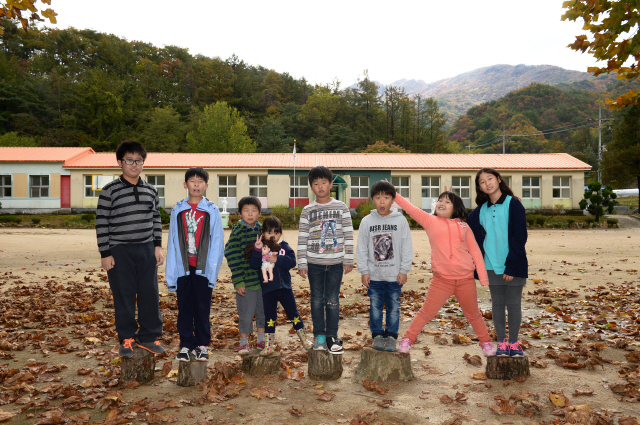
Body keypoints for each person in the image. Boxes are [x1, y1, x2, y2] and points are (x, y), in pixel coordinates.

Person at [394, 189, 496, 357]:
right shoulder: (430, 221)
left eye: (447, 202)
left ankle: (485, 343)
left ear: (455, 208)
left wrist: (483, 278)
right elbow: (410, 208)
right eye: (440, 200)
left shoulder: (464, 226)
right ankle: (407, 340)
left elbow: (476, 252)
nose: (441, 203)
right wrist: (394, 193)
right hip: (441, 280)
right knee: (426, 312)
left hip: (465, 280)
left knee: (474, 315)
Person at [96, 140, 165, 358]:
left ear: (143, 163)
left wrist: (157, 247)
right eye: (129, 160)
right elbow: (102, 223)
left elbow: (156, 219)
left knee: (149, 293)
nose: (134, 164)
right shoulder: (109, 191)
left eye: (138, 161)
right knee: (124, 295)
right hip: (119, 251)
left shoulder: (151, 190)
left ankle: (149, 336)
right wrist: (105, 253)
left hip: (146, 249)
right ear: (120, 162)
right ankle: (127, 338)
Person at [468, 168, 528, 357]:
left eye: (490, 178)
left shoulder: (513, 204)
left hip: (513, 265)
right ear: (480, 188)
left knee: (513, 304)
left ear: (499, 179)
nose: (487, 183)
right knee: (497, 304)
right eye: (482, 182)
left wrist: (510, 266)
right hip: (490, 265)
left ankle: (513, 343)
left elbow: (520, 237)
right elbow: (469, 234)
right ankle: (501, 342)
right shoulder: (480, 211)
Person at [166, 167, 224, 362]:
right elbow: (173, 241)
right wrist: (172, 271)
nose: (196, 184)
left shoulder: (212, 210)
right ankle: (185, 344)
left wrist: (212, 269)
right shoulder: (178, 210)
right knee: (184, 306)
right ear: (185, 185)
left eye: (200, 181)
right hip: (183, 266)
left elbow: (216, 240)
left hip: (202, 268)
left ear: (206, 186)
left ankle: (201, 344)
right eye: (192, 181)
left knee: (202, 306)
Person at [297, 166, 354, 354]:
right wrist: (302, 262)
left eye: (323, 182)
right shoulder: (308, 210)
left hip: (336, 263)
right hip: (314, 264)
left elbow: (348, 234)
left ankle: (331, 336)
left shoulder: (341, 207)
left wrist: (348, 258)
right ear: (311, 187)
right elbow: (303, 237)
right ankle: (319, 336)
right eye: (315, 183)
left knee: (332, 300)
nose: (320, 186)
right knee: (316, 300)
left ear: (331, 184)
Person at [356, 181, 413, 352]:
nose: (382, 202)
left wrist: (404, 270)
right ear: (372, 199)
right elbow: (361, 248)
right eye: (378, 197)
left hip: (394, 275)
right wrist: (364, 271)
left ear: (393, 200)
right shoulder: (367, 222)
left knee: (393, 307)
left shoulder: (400, 221)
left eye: (386, 198)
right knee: (374, 306)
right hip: (374, 276)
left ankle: (391, 337)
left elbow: (406, 246)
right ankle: (377, 336)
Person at [247, 217, 313, 355]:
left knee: (294, 314)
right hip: (268, 291)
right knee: (270, 318)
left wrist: (278, 259)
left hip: (285, 289)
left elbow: (292, 262)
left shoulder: (284, 247)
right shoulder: (261, 248)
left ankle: (304, 340)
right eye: (269, 232)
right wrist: (257, 251)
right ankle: (269, 346)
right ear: (263, 233)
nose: (273, 235)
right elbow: (253, 265)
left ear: (280, 234)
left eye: (276, 232)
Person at [224, 196, 265, 353]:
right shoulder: (238, 232)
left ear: (259, 213)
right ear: (240, 213)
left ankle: (261, 340)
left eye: (254, 210)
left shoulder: (262, 230)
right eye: (246, 211)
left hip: (262, 282)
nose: (250, 214)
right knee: (245, 314)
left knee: (263, 312)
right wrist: (238, 281)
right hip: (245, 283)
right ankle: (243, 342)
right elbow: (232, 256)